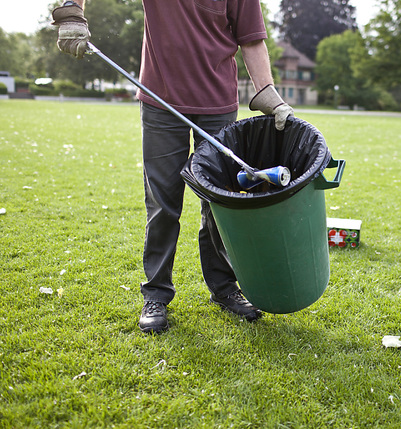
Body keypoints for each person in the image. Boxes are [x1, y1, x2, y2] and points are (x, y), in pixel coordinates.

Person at [52, 0, 294, 333]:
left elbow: (251, 38)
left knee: (219, 203)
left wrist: (267, 91)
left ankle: (225, 289)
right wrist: (71, 10)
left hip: (218, 105)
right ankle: (156, 295)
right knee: (163, 203)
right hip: (159, 102)